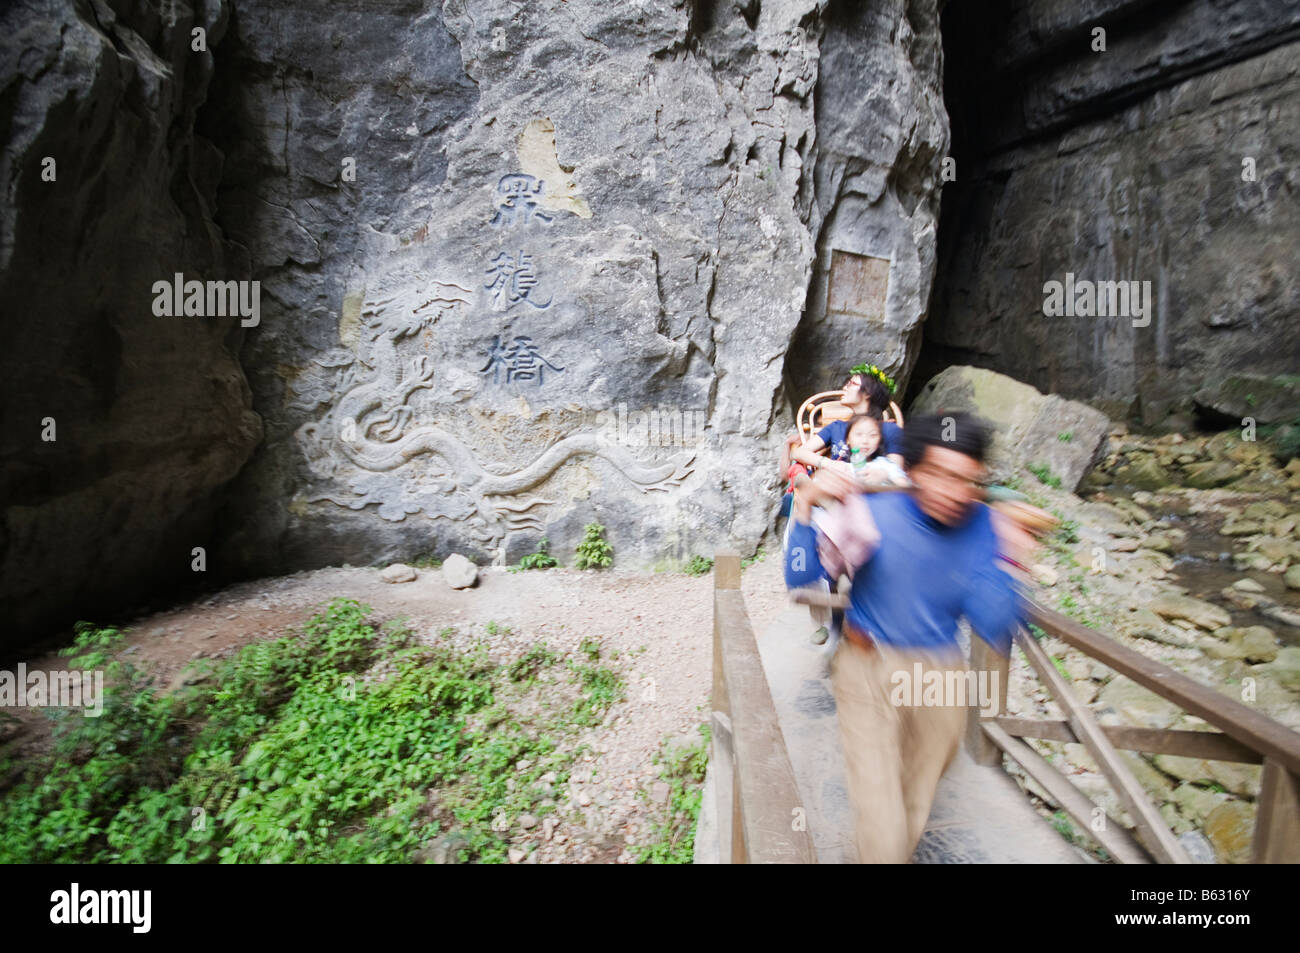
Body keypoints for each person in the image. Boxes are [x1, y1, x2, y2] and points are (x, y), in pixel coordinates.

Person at [783, 412, 1030, 863]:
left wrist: (1008, 560)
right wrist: (804, 507)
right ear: (912, 471)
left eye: (966, 480)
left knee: (916, 798)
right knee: (880, 810)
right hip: (867, 670)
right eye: (939, 474)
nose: (953, 492)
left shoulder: (981, 526)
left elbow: (995, 624)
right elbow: (801, 577)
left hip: (942, 677)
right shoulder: (869, 512)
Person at [827, 415, 910, 488]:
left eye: (872, 435)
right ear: (847, 440)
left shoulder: (886, 465)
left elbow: (906, 488)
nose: (865, 441)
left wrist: (886, 477)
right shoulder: (842, 468)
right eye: (859, 434)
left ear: (879, 441)